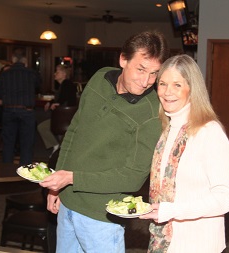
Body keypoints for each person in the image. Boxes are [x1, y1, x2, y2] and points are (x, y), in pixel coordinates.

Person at [39, 30, 170, 253]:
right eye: (141, 69)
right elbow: (74, 132)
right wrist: (57, 186)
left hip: (101, 217)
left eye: (154, 73)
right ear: (123, 60)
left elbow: (132, 178)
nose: (147, 81)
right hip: (67, 203)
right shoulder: (100, 77)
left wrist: (71, 178)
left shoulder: (151, 112)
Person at [139, 54, 229, 253]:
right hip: (164, 240)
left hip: (196, 242)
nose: (167, 92)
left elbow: (225, 197)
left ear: (192, 90)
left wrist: (172, 210)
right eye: (163, 84)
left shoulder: (209, 132)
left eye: (177, 85)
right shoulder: (168, 128)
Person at [0, 52, 40, 165]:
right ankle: (24, 172)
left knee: (8, 144)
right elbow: (38, 88)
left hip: (9, 111)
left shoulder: (4, 75)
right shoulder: (32, 74)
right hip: (27, 111)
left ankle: (7, 172)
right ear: (25, 62)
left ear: (13, 60)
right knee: (27, 144)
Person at [37, 64, 77, 151]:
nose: (55, 74)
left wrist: (56, 103)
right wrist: (52, 102)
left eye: (57, 72)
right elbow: (60, 98)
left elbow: (64, 98)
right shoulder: (64, 85)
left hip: (64, 119)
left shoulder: (67, 84)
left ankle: (56, 146)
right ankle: (57, 147)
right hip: (65, 118)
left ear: (64, 74)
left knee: (42, 127)